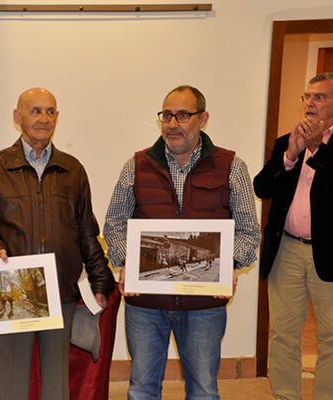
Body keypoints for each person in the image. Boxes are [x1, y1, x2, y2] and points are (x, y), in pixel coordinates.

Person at [103, 85, 260, 399]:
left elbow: (249, 233)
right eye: (167, 115)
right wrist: (128, 263)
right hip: (146, 304)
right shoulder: (135, 165)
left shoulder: (232, 167)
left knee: (203, 389)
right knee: (142, 389)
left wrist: (227, 264)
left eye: (183, 115)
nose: (172, 124)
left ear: (203, 119)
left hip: (204, 306)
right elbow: (114, 224)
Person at [0, 87, 114, 400]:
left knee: (56, 385)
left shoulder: (72, 170)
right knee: (10, 384)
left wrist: (101, 281)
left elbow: (87, 230)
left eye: (50, 112)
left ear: (57, 118)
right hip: (13, 289)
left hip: (60, 289)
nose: (43, 118)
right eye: (35, 111)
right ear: (17, 117)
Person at [253, 72, 333, 400]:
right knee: (283, 334)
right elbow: (262, 187)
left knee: (331, 336)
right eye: (307, 96)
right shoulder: (288, 141)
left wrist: (316, 150)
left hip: (328, 254)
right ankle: (287, 397)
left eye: (320, 97)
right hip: (286, 248)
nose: (310, 103)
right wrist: (289, 156)